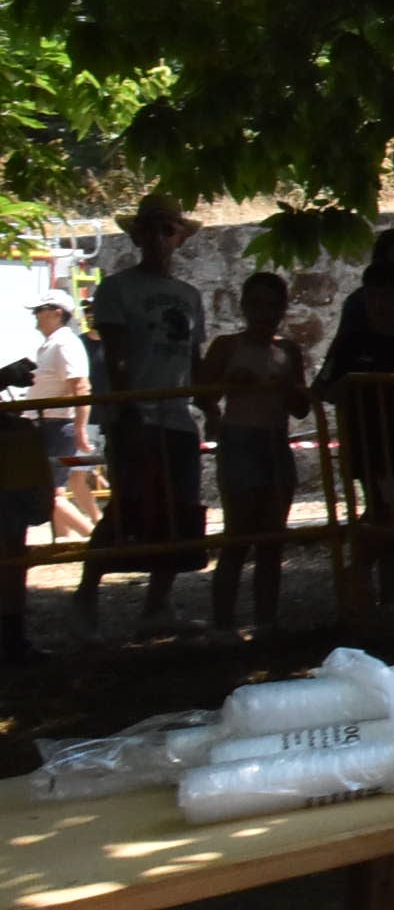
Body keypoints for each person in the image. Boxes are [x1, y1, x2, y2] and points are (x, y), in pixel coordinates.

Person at [80, 191, 212, 637]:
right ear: (137, 235)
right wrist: (127, 409)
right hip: (134, 415)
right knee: (127, 506)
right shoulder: (117, 289)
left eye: (167, 229)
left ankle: (157, 604)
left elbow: (193, 357)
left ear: (179, 238)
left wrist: (209, 405)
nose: (158, 237)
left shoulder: (189, 295)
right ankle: (86, 596)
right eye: (150, 228)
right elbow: (116, 357)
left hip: (177, 414)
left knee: (179, 510)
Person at [198, 270, 314, 631]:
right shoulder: (227, 346)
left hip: (275, 442)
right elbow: (202, 393)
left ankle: (267, 621)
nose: (264, 314)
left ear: (282, 309)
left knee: (272, 540)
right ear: (245, 307)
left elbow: (301, 408)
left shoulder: (289, 350)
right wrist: (226, 385)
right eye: (257, 305)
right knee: (238, 536)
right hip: (239, 441)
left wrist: (288, 388)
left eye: (272, 306)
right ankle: (223, 625)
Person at [318, 263, 394, 616]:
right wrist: (349, 389)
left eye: (388, 296)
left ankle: (386, 596)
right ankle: (360, 579)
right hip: (367, 444)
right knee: (387, 513)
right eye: (373, 296)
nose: (380, 304)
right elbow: (324, 388)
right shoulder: (350, 344)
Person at [26, 289, 98, 539]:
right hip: (49, 423)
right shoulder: (53, 344)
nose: (35, 315)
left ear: (57, 313)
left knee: (49, 493)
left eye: (39, 311)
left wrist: (79, 428)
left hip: (55, 425)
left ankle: (95, 540)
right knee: (53, 492)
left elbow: (81, 385)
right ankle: (65, 542)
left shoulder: (65, 343)